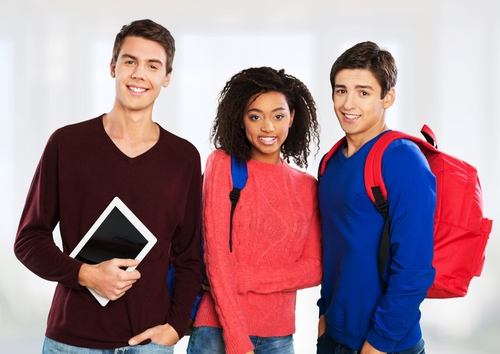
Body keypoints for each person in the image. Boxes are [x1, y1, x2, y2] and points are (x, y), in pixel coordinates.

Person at [14, 19, 203, 353]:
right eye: (130, 61)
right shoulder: (67, 144)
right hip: (71, 342)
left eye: (153, 65)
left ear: (167, 78)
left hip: (149, 344)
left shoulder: (183, 158)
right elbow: (29, 240)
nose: (139, 74)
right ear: (113, 67)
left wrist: (174, 328)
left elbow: (189, 257)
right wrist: (85, 274)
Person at [186, 67, 323, 354]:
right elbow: (217, 256)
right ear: (242, 120)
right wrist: (237, 341)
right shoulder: (222, 164)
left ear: (292, 118)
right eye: (255, 116)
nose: (268, 127)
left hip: (279, 336)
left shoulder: (307, 186)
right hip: (217, 331)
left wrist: (245, 278)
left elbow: (314, 268)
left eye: (278, 116)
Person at [316, 41, 436, 354]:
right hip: (334, 339)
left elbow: (415, 268)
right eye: (341, 90)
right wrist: (323, 316)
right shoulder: (329, 162)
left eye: (363, 92)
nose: (348, 103)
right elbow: (334, 249)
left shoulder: (403, 160)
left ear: (388, 97)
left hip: (386, 346)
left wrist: (377, 345)